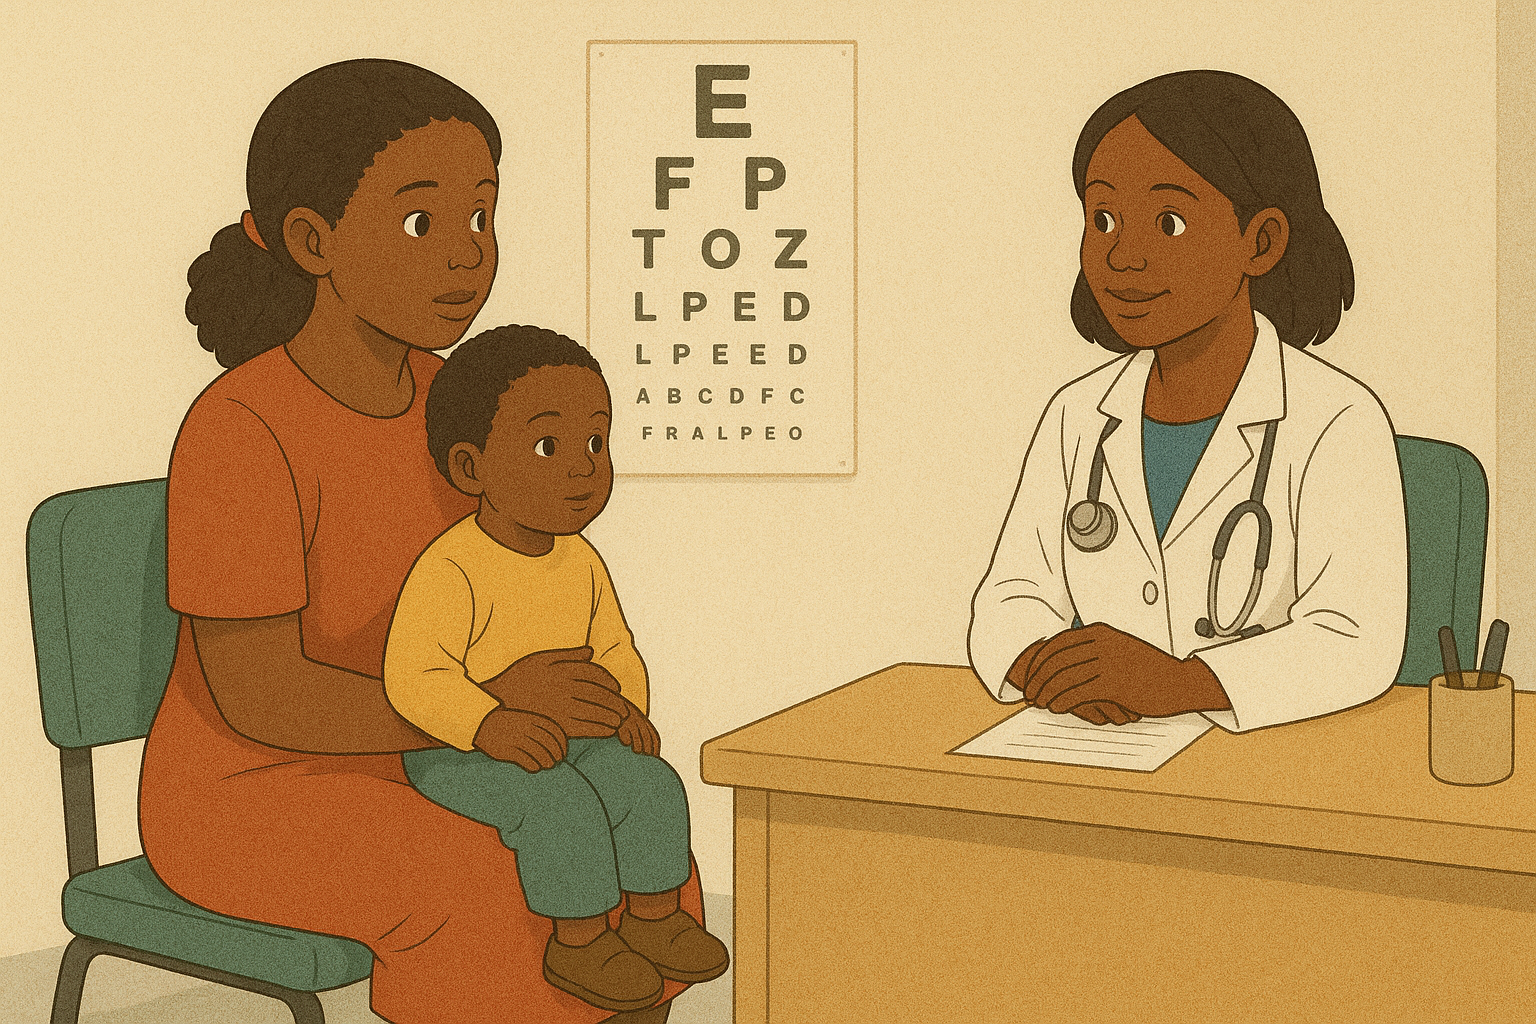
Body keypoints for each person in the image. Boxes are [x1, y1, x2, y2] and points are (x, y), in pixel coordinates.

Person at [138, 59, 704, 1024]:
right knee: (501, 883)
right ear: (312, 240)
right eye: (421, 222)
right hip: (255, 787)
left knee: (645, 847)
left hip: (444, 745)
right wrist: (485, 712)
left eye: (481, 217)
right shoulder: (242, 429)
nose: (465, 254)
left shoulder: (468, 403)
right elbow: (262, 693)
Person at [968, 70, 1407, 733]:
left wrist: (1180, 683)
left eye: (1168, 222)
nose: (1122, 256)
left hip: (1266, 767)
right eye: (1103, 218)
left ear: (1260, 242)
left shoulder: (1337, 421)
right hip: (1095, 750)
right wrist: (1043, 665)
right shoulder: (1077, 415)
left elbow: (1354, 639)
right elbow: (1011, 595)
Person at [383, 324, 728, 1013]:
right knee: (559, 804)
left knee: (651, 784)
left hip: (574, 740)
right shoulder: (452, 567)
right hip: (462, 752)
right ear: (470, 468)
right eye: (548, 446)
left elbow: (614, 648)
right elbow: (414, 678)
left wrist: (628, 707)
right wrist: (488, 723)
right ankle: (578, 941)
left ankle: (653, 918)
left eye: (596, 443)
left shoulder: (581, 561)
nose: (581, 466)